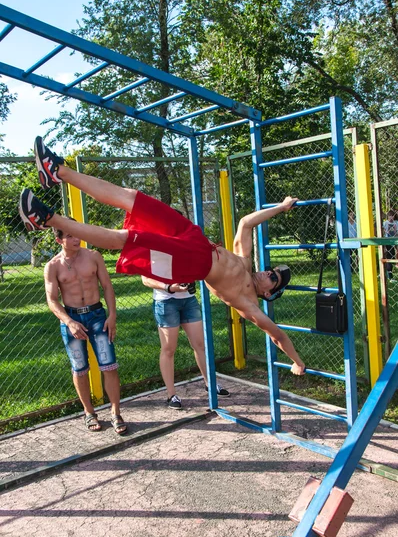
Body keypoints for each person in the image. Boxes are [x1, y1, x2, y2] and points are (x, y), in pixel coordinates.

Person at [19, 137, 306, 376]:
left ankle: (47, 218)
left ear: (269, 294)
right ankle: (57, 170)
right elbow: (246, 223)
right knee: (131, 197)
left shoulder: (249, 305)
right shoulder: (244, 261)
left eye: (274, 279)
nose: (269, 273)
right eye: (272, 270)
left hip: (194, 262)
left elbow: (277, 335)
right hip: (195, 238)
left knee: (126, 239)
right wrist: (280, 207)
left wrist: (297, 361)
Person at [44, 222, 127, 435]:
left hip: (98, 316)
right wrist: (69, 322)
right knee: (79, 368)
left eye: (77, 234)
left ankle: (116, 412)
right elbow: (52, 300)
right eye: (70, 236)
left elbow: (107, 286)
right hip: (72, 319)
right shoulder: (53, 266)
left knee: (109, 365)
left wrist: (112, 315)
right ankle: (89, 412)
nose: (76, 239)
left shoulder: (94, 256)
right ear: (58, 240)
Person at [141, 276, 230, 408]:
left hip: (188, 300)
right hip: (165, 302)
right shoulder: (152, 255)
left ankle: (210, 384)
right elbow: (146, 279)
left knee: (200, 345)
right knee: (169, 349)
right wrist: (169, 288)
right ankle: (171, 395)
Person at [383, 210, 398, 280]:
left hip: (395, 241)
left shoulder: (396, 223)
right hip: (387, 241)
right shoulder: (385, 223)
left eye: (392, 215)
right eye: (390, 215)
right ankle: (389, 275)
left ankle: (388, 273)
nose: (391, 217)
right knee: (389, 257)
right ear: (388, 216)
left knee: (393, 256)